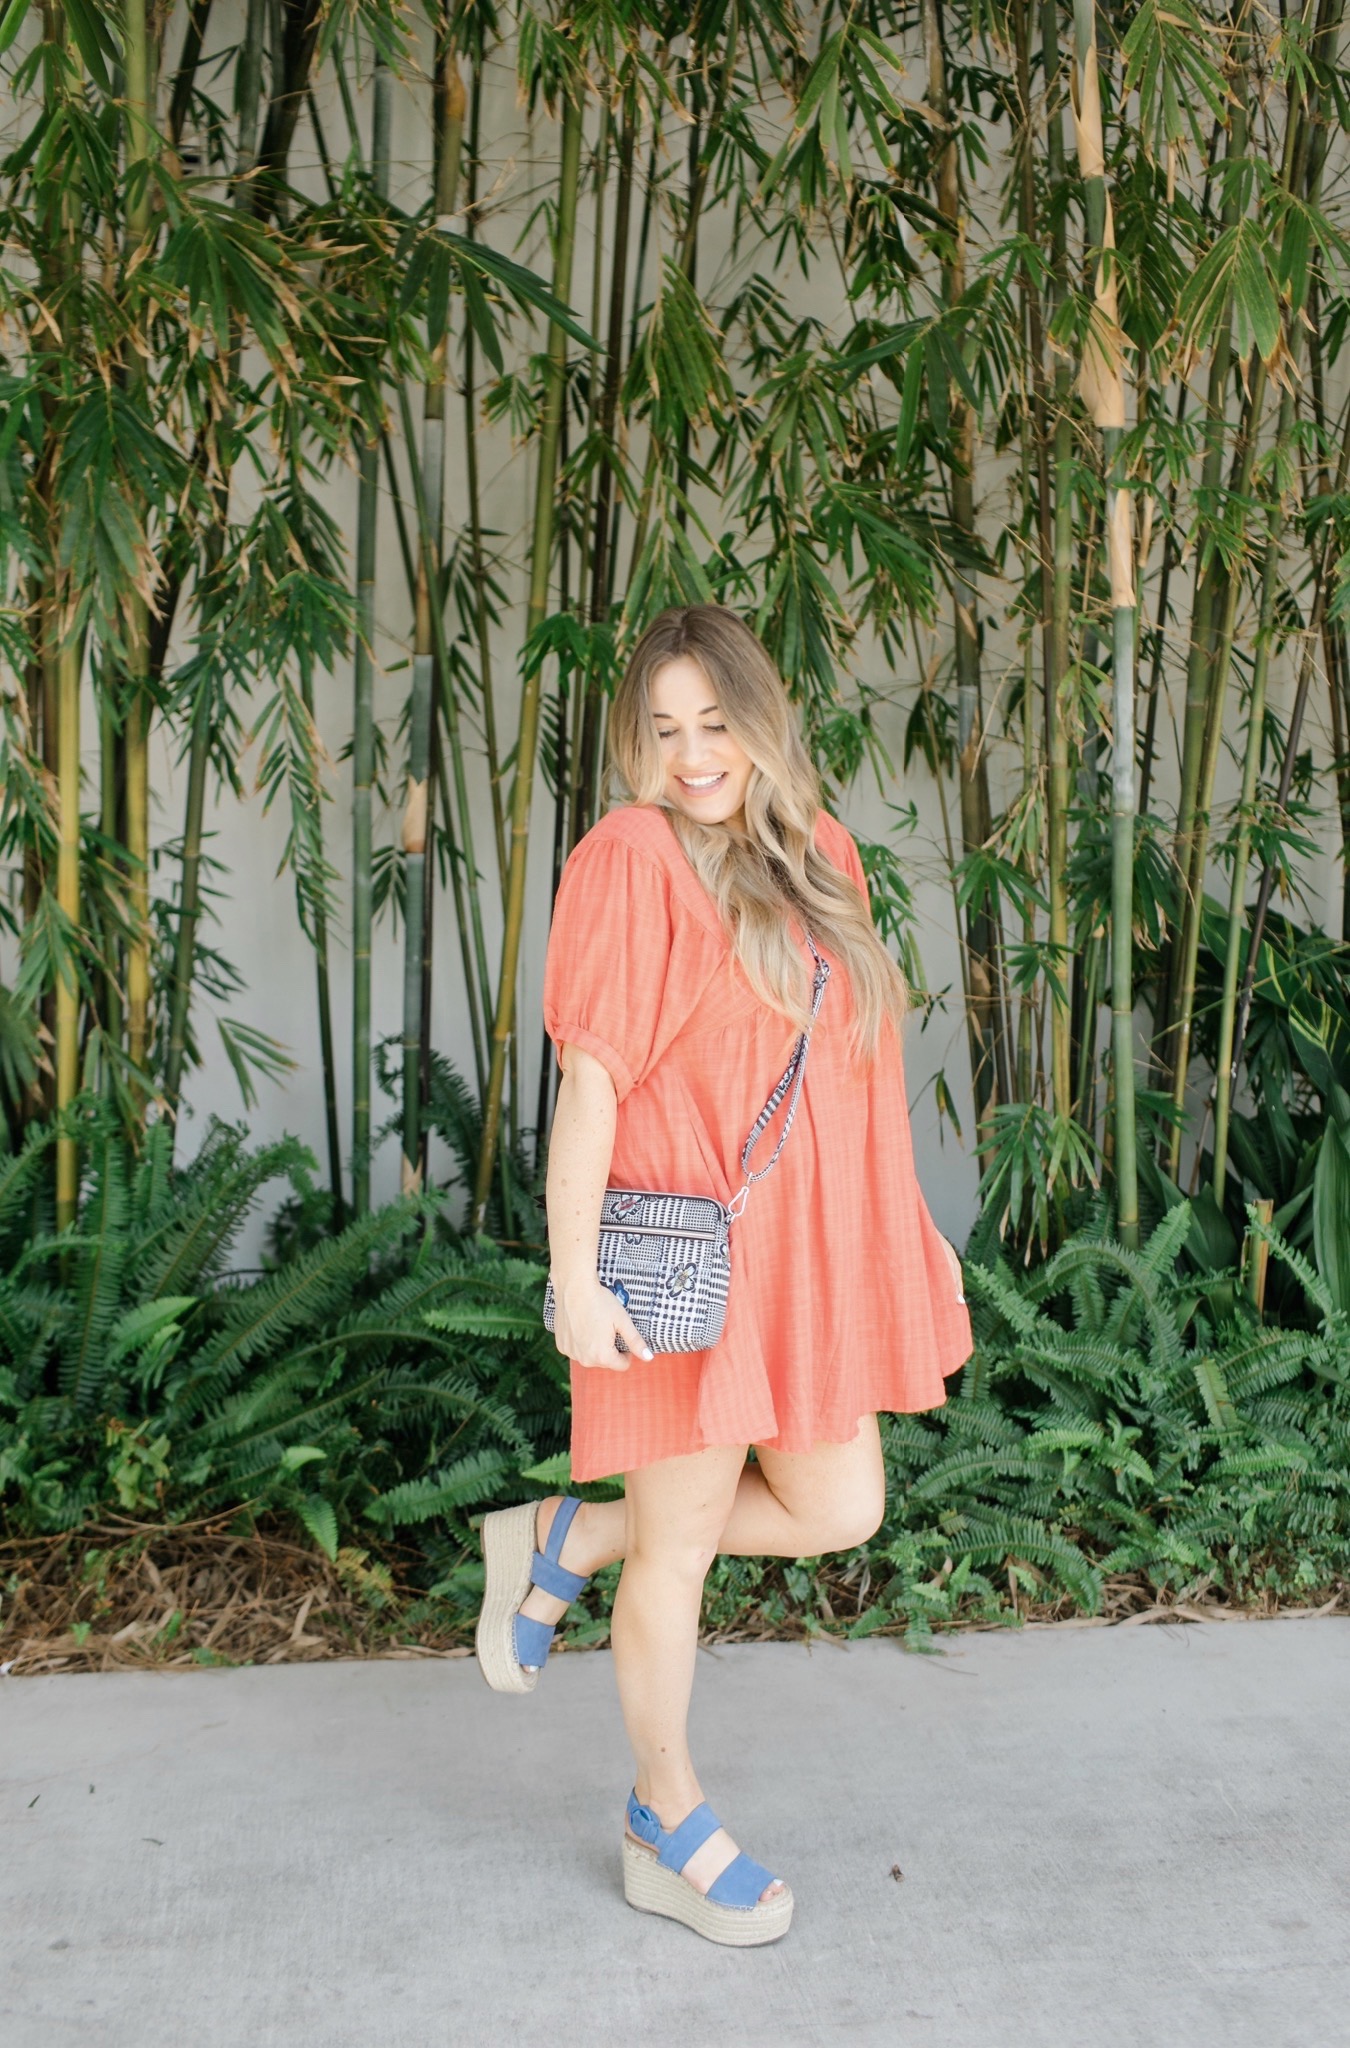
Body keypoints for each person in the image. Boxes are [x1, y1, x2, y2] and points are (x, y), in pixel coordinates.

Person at [475, 605, 972, 1947]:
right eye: (665, 727)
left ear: (761, 723)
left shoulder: (820, 853)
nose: (695, 755)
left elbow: (854, 1081)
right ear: (636, 741)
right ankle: (662, 1815)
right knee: (681, 1549)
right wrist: (572, 1277)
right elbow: (589, 1080)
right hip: (677, 1263)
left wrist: (898, 1242)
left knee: (839, 1502)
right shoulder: (629, 858)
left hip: (803, 1263)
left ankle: (563, 1536)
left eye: (716, 724)